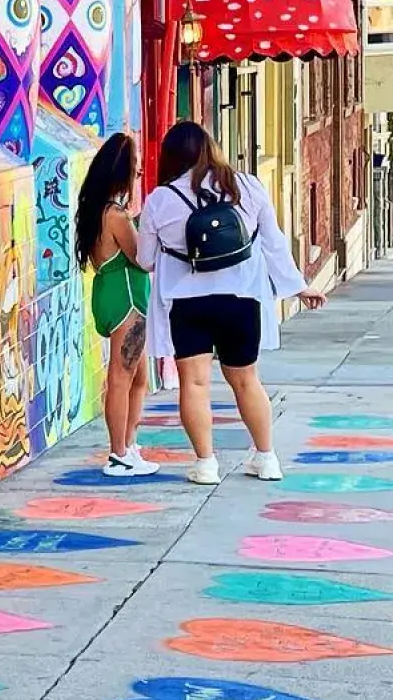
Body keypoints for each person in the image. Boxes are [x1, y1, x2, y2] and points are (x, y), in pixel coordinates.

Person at [138, 121, 325, 485]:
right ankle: (266, 457)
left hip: (188, 304)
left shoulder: (160, 200)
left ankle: (206, 464)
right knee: (246, 380)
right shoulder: (248, 187)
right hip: (241, 300)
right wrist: (299, 287)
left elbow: (146, 260)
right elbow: (273, 243)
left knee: (194, 384)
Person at [73, 133, 156, 477]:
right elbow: (142, 259)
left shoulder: (95, 210)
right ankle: (118, 453)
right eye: (135, 171)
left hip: (109, 295)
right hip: (127, 301)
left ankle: (129, 445)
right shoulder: (117, 216)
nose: (138, 176)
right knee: (121, 378)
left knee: (139, 378)